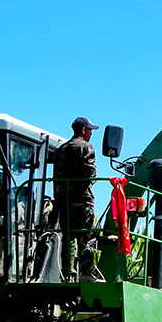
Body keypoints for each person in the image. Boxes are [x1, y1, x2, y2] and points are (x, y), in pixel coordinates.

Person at [54, 116, 101, 282]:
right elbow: (91, 175)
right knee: (86, 238)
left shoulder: (61, 149)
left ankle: (68, 274)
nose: (91, 133)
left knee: (68, 238)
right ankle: (87, 274)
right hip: (82, 201)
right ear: (83, 130)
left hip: (63, 202)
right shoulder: (86, 147)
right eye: (89, 130)